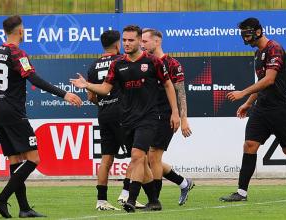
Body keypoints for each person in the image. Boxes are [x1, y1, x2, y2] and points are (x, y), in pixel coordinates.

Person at [71, 25, 180, 212]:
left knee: (138, 155)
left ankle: (130, 198)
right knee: (140, 160)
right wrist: (87, 85)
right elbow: (105, 89)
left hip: (149, 117)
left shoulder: (153, 62)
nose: (127, 43)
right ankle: (154, 200)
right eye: (125, 40)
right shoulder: (117, 64)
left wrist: (175, 113)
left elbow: (169, 85)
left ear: (139, 41)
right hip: (127, 119)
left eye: (131, 40)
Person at [0, 15, 82, 218]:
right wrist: (64, 93)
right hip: (14, 113)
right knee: (33, 158)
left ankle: (24, 208)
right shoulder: (17, 53)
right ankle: (1, 199)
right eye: (23, 29)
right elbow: (34, 79)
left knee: (15, 160)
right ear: (20, 31)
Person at [219, 17, 286, 202]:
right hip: (262, 109)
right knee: (249, 145)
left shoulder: (274, 48)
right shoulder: (258, 53)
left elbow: (269, 80)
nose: (245, 38)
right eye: (243, 34)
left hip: (280, 110)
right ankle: (241, 193)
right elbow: (261, 85)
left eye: (247, 34)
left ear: (258, 32)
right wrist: (249, 103)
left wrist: (242, 93)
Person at [86, 30, 144, 210]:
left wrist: (104, 102)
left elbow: (91, 97)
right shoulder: (121, 61)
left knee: (106, 159)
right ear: (118, 44)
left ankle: (101, 200)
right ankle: (125, 194)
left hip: (104, 114)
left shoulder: (93, 66)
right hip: (123, 114)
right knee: (137, 156)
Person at [141, 28, 194, 205]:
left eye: (145, 41)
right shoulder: (144, 63)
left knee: (154, 156)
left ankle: (154, 200)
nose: (142, 44)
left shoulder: (172, 64)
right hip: (147, 115)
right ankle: (184, 182)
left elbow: (181, 93)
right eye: (141, 41)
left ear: (157, 42)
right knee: (147, 159)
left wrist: (182, 117)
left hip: (166, 115)